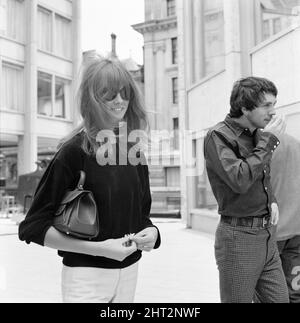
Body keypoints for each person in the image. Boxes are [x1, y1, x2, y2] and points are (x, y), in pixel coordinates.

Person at [18, 56, 161, 303]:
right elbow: (33, 226)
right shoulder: (73, 152)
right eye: (109, 94)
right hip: (86, 278)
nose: (119, 101)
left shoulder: (134, 152)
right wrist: (101, 249)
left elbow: (141, 216)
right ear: (92, 98)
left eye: (124, 93)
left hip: (129, 273)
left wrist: (153, 233)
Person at [204, 76, 289, 303]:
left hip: (267, 235)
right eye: (266, 105)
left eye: (274, 104)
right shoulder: (218, 136)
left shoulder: (259, 136)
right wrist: (268, 141)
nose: (273, 111)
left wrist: (270, 199)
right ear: (244, 107)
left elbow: (262, 176)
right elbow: (239, 179)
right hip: (238, 237)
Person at [271, 133, 300, 303]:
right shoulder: (296, 144)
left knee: (268, 292)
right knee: (295, 290)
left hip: (272, 231)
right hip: (297, 229)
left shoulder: (261, 147)